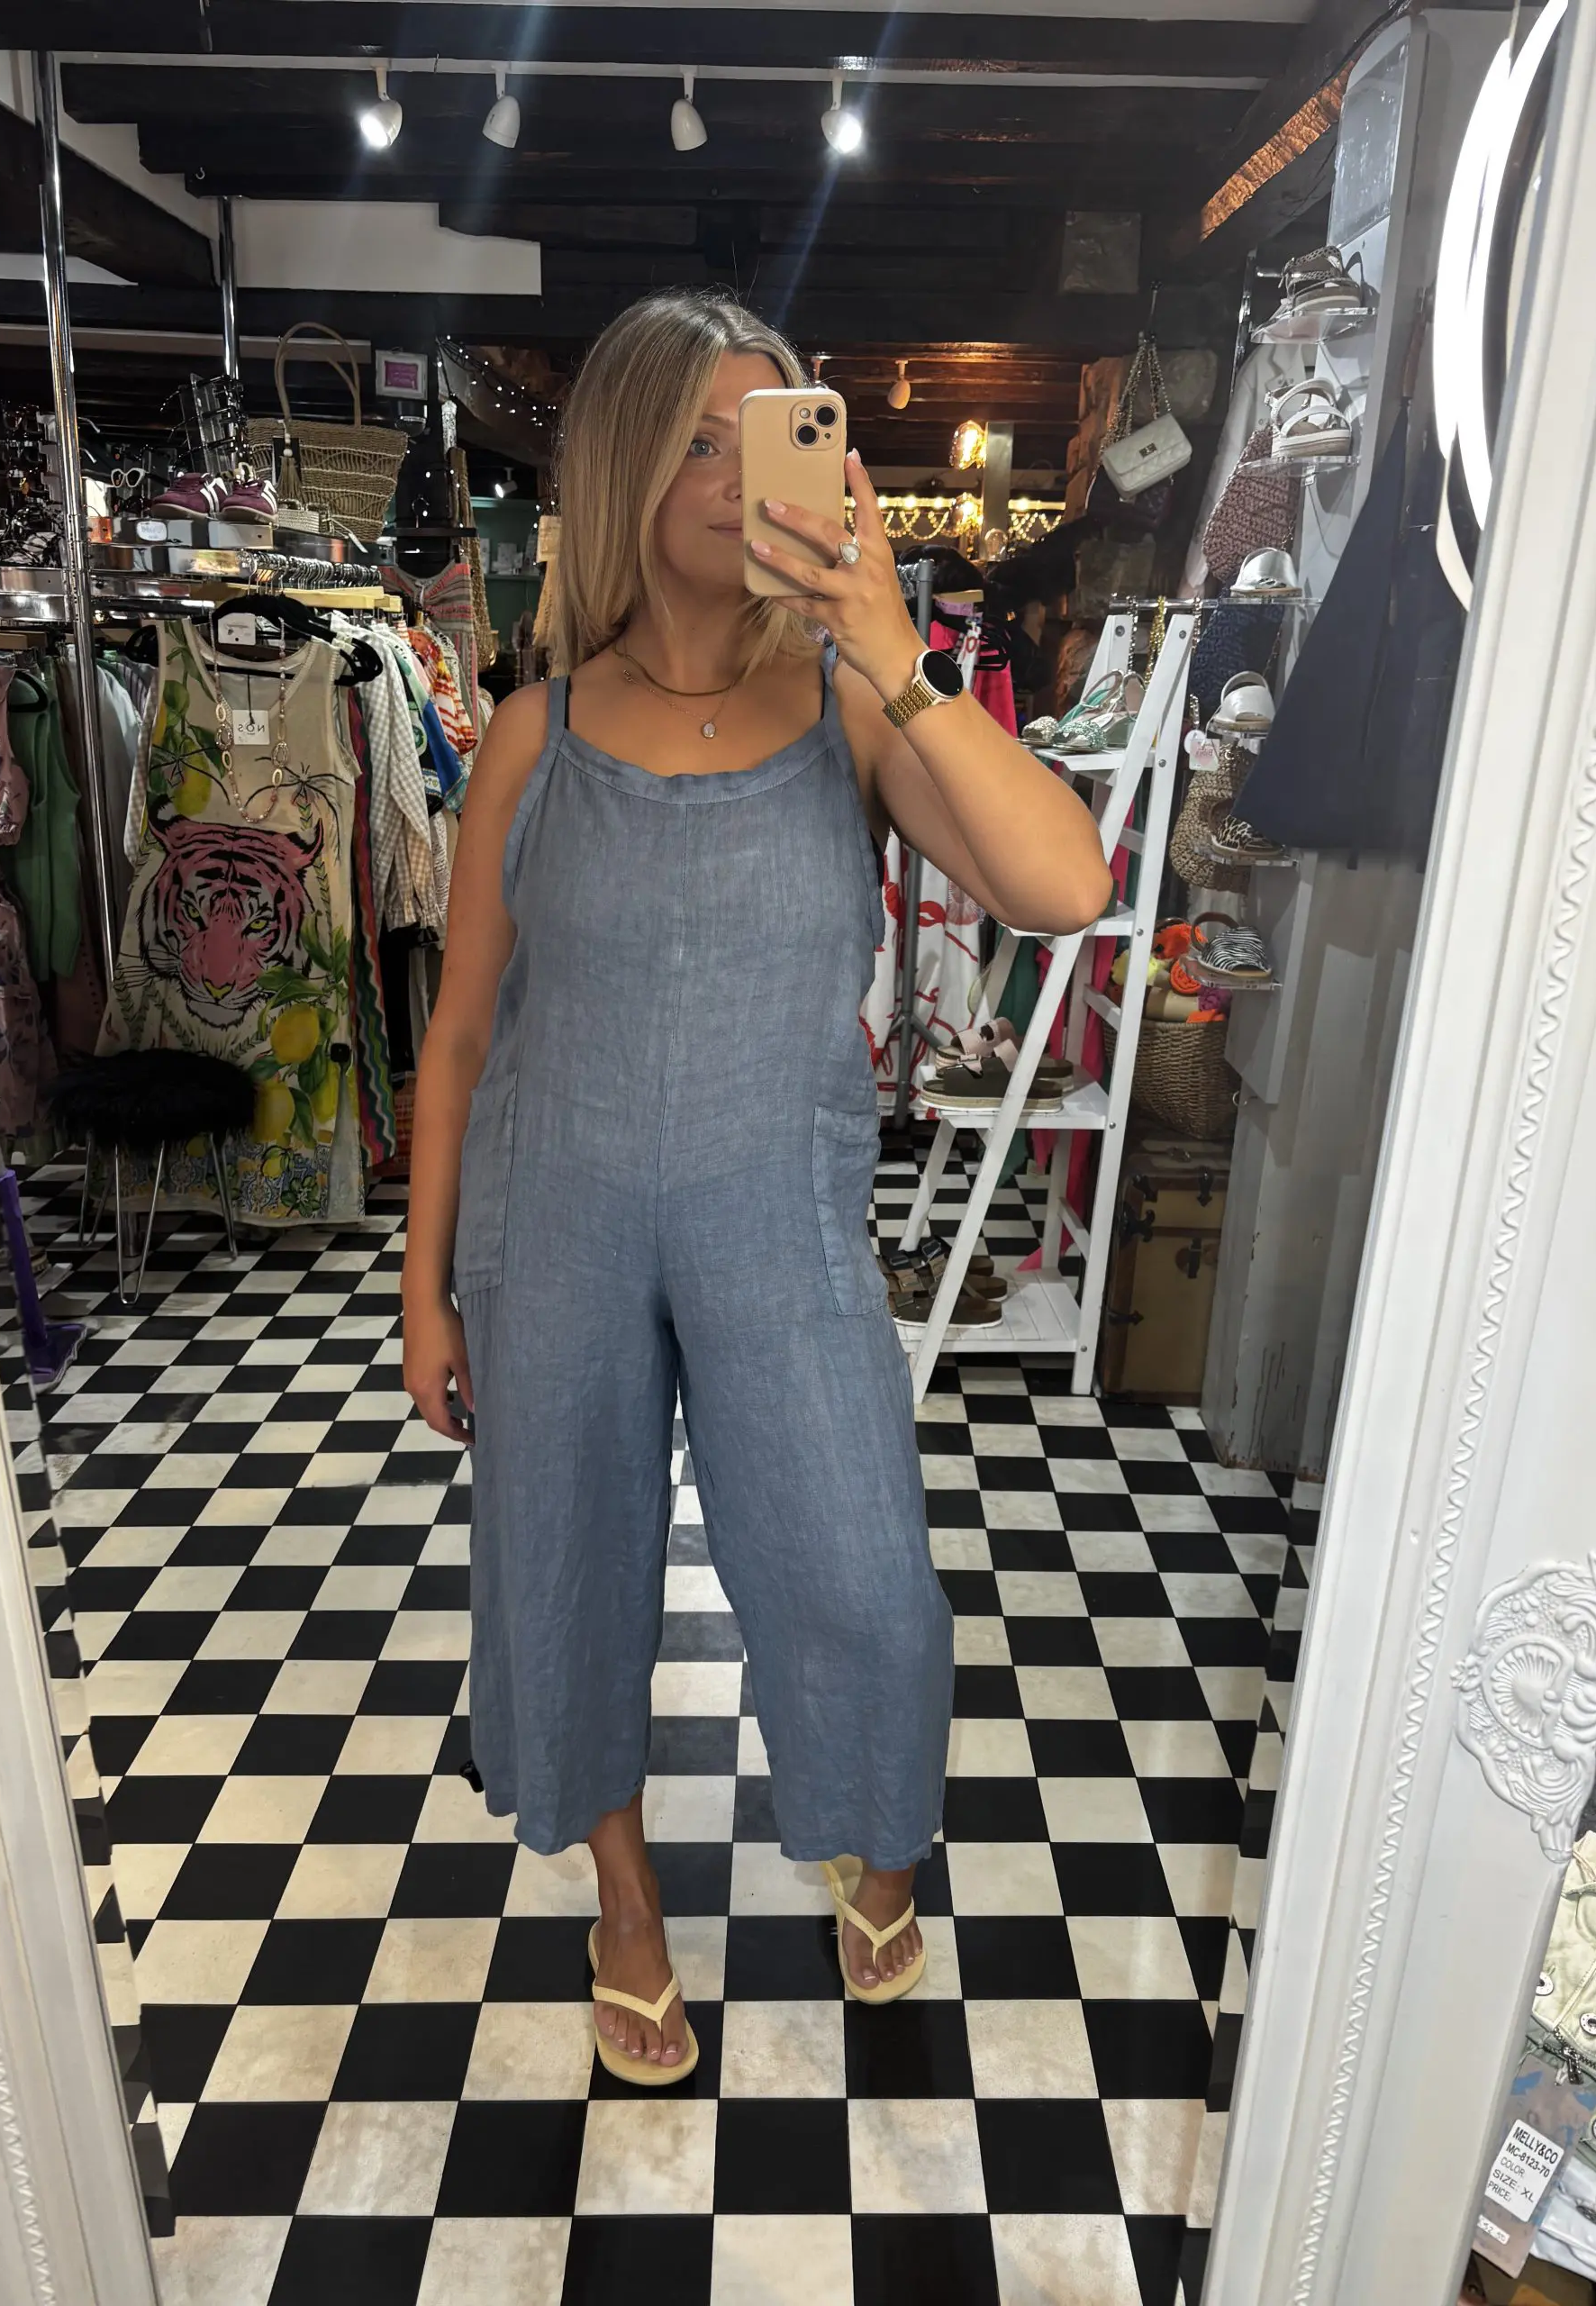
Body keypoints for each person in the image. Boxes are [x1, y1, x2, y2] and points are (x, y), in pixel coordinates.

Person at [403, 289, 1111, 2082]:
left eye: (770, 438)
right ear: (626, 467)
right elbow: (463, 1034)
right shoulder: (532, 736)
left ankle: (876, 1841)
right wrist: (425, 1289)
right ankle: (626, 1903)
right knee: (564, 1566)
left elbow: (1065, 886)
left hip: (781, 1217)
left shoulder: (855, 713)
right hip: (551, 1217)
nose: (736, 478)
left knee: (861, 1571)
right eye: (698, 443)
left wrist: (895, 646)